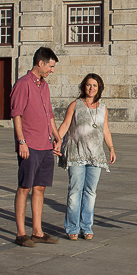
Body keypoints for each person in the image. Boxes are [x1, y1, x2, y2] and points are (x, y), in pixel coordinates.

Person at [9, 47, 62, 248]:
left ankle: (37, 231)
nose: (52, 70)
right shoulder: (23, 84)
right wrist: (21, 141)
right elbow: (16, 114)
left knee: (40, 187)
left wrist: (57, 138)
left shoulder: (44, 86)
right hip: (29, 145)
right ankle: (21, 233)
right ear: (40, 63)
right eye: (51, 66)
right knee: (25, 187)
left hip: (46, 145)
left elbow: (49, 115)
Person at [57, 74, 116, 241]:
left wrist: (111, 148)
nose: (91, 88)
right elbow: (66, 124)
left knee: (90, 192)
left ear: (99, 88)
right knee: (75, 191)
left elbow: (105, 129)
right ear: (84, 86)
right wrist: (57, 141)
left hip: (96, 155)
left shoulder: (103, 108)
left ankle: (86, 227)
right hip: (77, 153)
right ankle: (72, 228)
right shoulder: (75, 105)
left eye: (95, 85)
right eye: (89, 85)